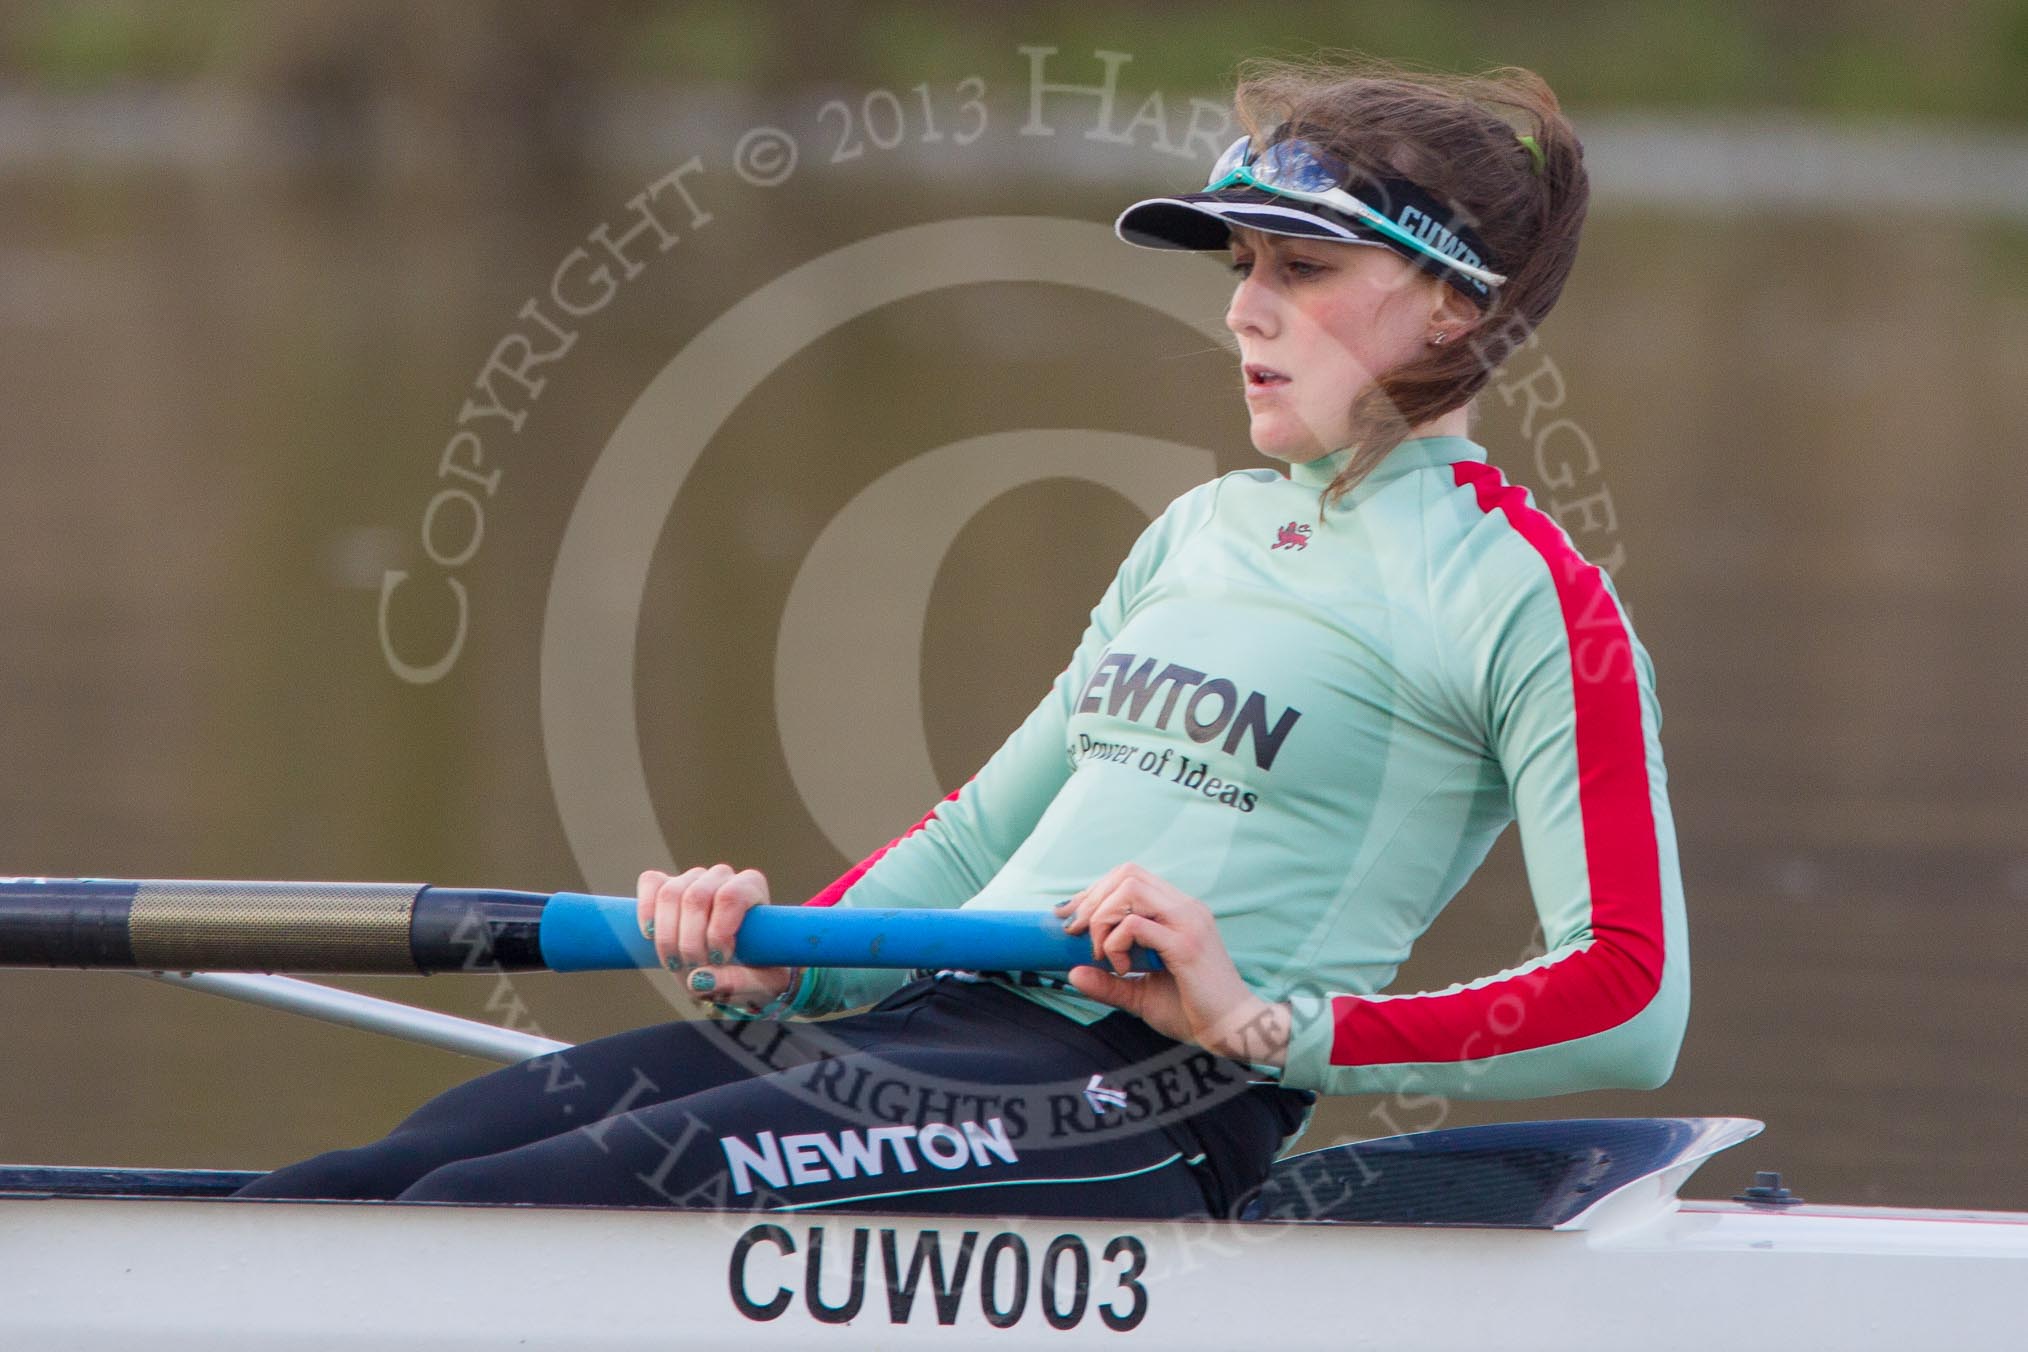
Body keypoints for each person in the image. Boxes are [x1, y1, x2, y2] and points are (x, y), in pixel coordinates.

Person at [240, 55, 1686, 1218]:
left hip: (1146, 1108)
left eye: (1299, 269)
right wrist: (786, 953)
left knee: (506, 1207)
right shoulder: (1201, 533)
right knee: (397, 1176)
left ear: (1455, 300)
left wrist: (1263, 1026)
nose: (1244, 308)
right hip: (915, 1042)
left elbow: (1630, 999)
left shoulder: (1531, 599)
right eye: (1241, 264)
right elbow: (980, 833)